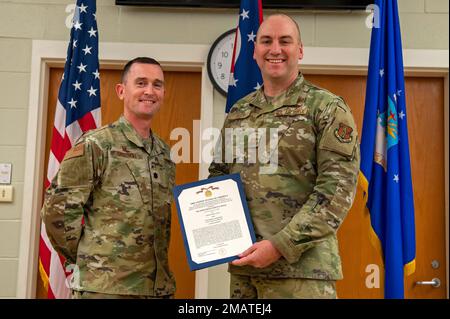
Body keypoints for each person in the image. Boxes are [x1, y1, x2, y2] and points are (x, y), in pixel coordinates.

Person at [208, 14, 360, 299]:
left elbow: (336, 192)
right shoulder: (240, 112)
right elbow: (218, 177)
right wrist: (217, 236)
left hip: (301, 273)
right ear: (255, 51)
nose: (274, 49)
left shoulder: (326, 108)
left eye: (285, 41)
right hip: (245, 273)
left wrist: (280, 245)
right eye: (266, 41)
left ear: (300, 50)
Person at [41, 57, 176, 299]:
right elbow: (57, 211)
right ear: (121, 91)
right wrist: (90, 256)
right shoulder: (98, 144)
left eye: (157, 85)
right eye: (141, 83)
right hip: (105, 288)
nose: (149, 91)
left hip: (157, 289)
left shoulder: (163, 154)